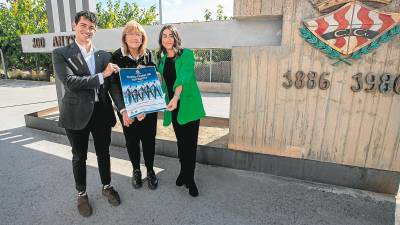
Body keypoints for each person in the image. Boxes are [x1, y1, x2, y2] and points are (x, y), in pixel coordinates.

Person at [52, 10, 121, 217]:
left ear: (95, 30)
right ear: (75, 26)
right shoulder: (61, 53)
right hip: (75, 113)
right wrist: (102, 75)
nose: (87, 30)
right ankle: (81, 194)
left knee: (103, 153)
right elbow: (71, 83)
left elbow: (113, 87)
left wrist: (124, 108)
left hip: (101, 112)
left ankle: (107, 186)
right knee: (79, 156)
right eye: (83, 25)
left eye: (91, 27)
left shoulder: (104, 56)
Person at [157, 25, 205, 197]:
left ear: (176, 37)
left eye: (171, 35)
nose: (168, 39)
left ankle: (190, 179)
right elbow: (161, 82)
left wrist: (176, 97)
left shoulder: (187, 55)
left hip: (188, 106)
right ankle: (183, 172)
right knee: (180, 142)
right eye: (164, 36)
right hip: (173, 107)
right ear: (161, 40)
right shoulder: (161, 61)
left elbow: (183, 78)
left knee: (190, 144)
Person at [109, 20, 159, 190]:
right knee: (131, 141)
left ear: (142, 38)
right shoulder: (116, 56)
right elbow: (114, 85)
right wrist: (124, 110)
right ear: (125, 37)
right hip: (127, 111)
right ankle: (136, 170)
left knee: (149, 141)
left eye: (138, 34)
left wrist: (145, 107)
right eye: (130, 33)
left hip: (148, 110)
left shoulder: (149, 55)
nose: (134, 37)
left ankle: (151, 170)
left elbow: (153, 80)